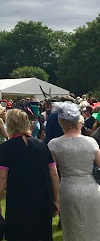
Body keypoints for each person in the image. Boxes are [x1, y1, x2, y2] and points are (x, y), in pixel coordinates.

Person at [0, 109, 59, 241]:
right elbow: (54, 174)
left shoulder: (6, 147)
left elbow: (1, 177)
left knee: (19, 234)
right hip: (42, 197)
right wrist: (56, 199)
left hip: (19, 198)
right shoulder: (41, 145)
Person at [47, 102, 100, 240]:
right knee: (93, 227)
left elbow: (53, 173)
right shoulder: (91, 142)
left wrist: (55, 198)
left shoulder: (54, 144)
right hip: (92, 189)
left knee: (72, 229)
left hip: (68, 188)